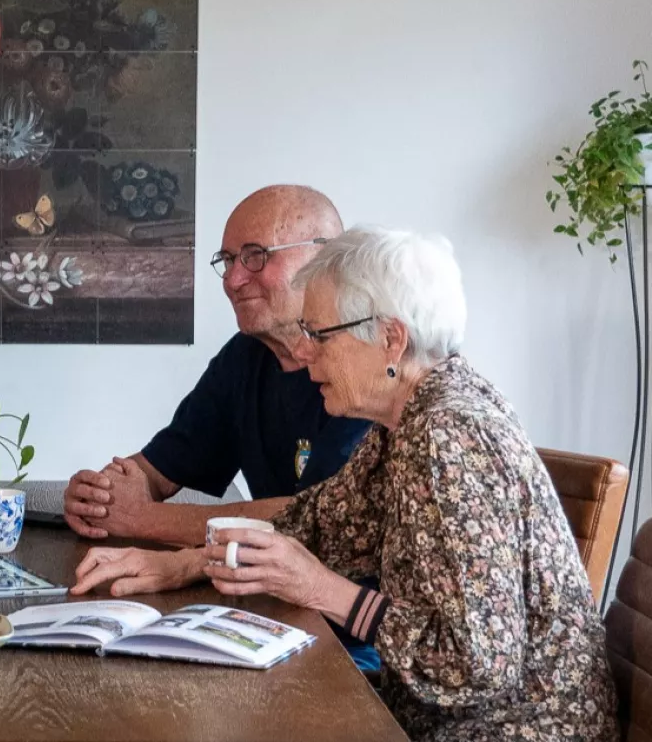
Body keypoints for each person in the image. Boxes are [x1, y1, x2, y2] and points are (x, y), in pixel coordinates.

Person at [80, 227, 618, 741]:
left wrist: (322, 590)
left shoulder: (449, 434)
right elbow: (316, 521)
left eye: (319, 335)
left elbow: (476, 666)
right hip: (431, 718)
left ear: (390, 339)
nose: (305, 351)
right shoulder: (409, 422)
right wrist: (182, 564)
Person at [62, 185, 370, 562]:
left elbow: (312, 519)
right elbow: (158, 470)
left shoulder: (363, 366)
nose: (232, 280)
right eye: (227, 260)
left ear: (322, 257)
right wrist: (98, 497)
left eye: (255, 256)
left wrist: (144, 519)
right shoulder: (244, 356)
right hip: (271, 589)